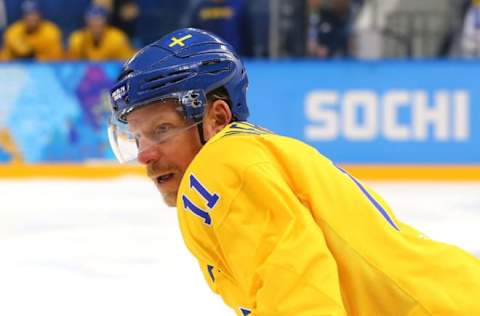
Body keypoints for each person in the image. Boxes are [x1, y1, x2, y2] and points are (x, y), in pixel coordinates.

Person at [107, 28, 480, 315]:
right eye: (137, 136)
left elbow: (301, 293)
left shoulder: (218, 167)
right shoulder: (248, 154)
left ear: (217, 118)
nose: (145, 155)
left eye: (162, 130)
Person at [67, 5, 134, 61]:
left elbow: (126, 63)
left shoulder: (117, 38)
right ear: (87, 23)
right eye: (92, 22)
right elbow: (72, 65)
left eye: (98, 21)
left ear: (105, 23)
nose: (95, 24)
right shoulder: (78, 39)